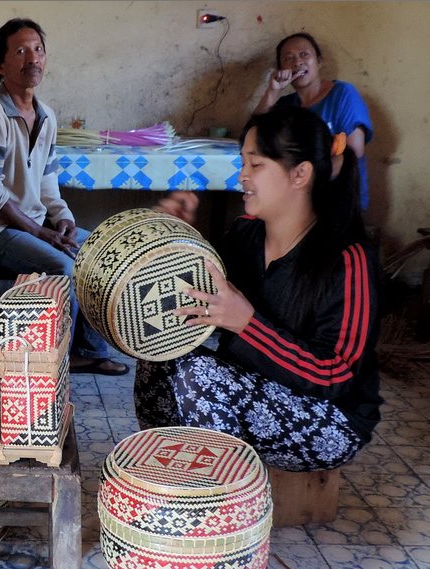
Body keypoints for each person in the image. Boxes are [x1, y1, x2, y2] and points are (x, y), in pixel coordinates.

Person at [141, 106, 381, 472]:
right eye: (243, 163)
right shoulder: (245, 234)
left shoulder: (347, 258)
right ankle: (171, 475)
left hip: (333, 418)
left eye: (256, 164)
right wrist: (178, 239)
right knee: (159, 354)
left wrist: (248, 324)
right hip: (256, 388)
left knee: (199, 374)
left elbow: (336, 374)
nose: (243, 175)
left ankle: (221, 497)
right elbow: (198, 298)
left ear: (300, 174)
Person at [0, 18, 129, 375]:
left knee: (100, 255)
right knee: (63, 267)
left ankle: (89, 351)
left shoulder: (46, 116)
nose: (32, 58)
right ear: (0, 66)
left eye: (38, 49)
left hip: (31, 225)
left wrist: (63, 218)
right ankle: (53, 360)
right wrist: (40, 232)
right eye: (20, 51)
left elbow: (48, 181)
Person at [253, 32, 373, 213]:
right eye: (288, 58)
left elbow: (352, 154)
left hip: (339, 201)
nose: (297, 62)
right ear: (281, 69)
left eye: (304, 55)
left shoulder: (343, 94)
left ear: (319, 61)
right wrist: (273, 90)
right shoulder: (286, 106)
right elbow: (253, 135)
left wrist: (303, 186)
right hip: (298, 202)